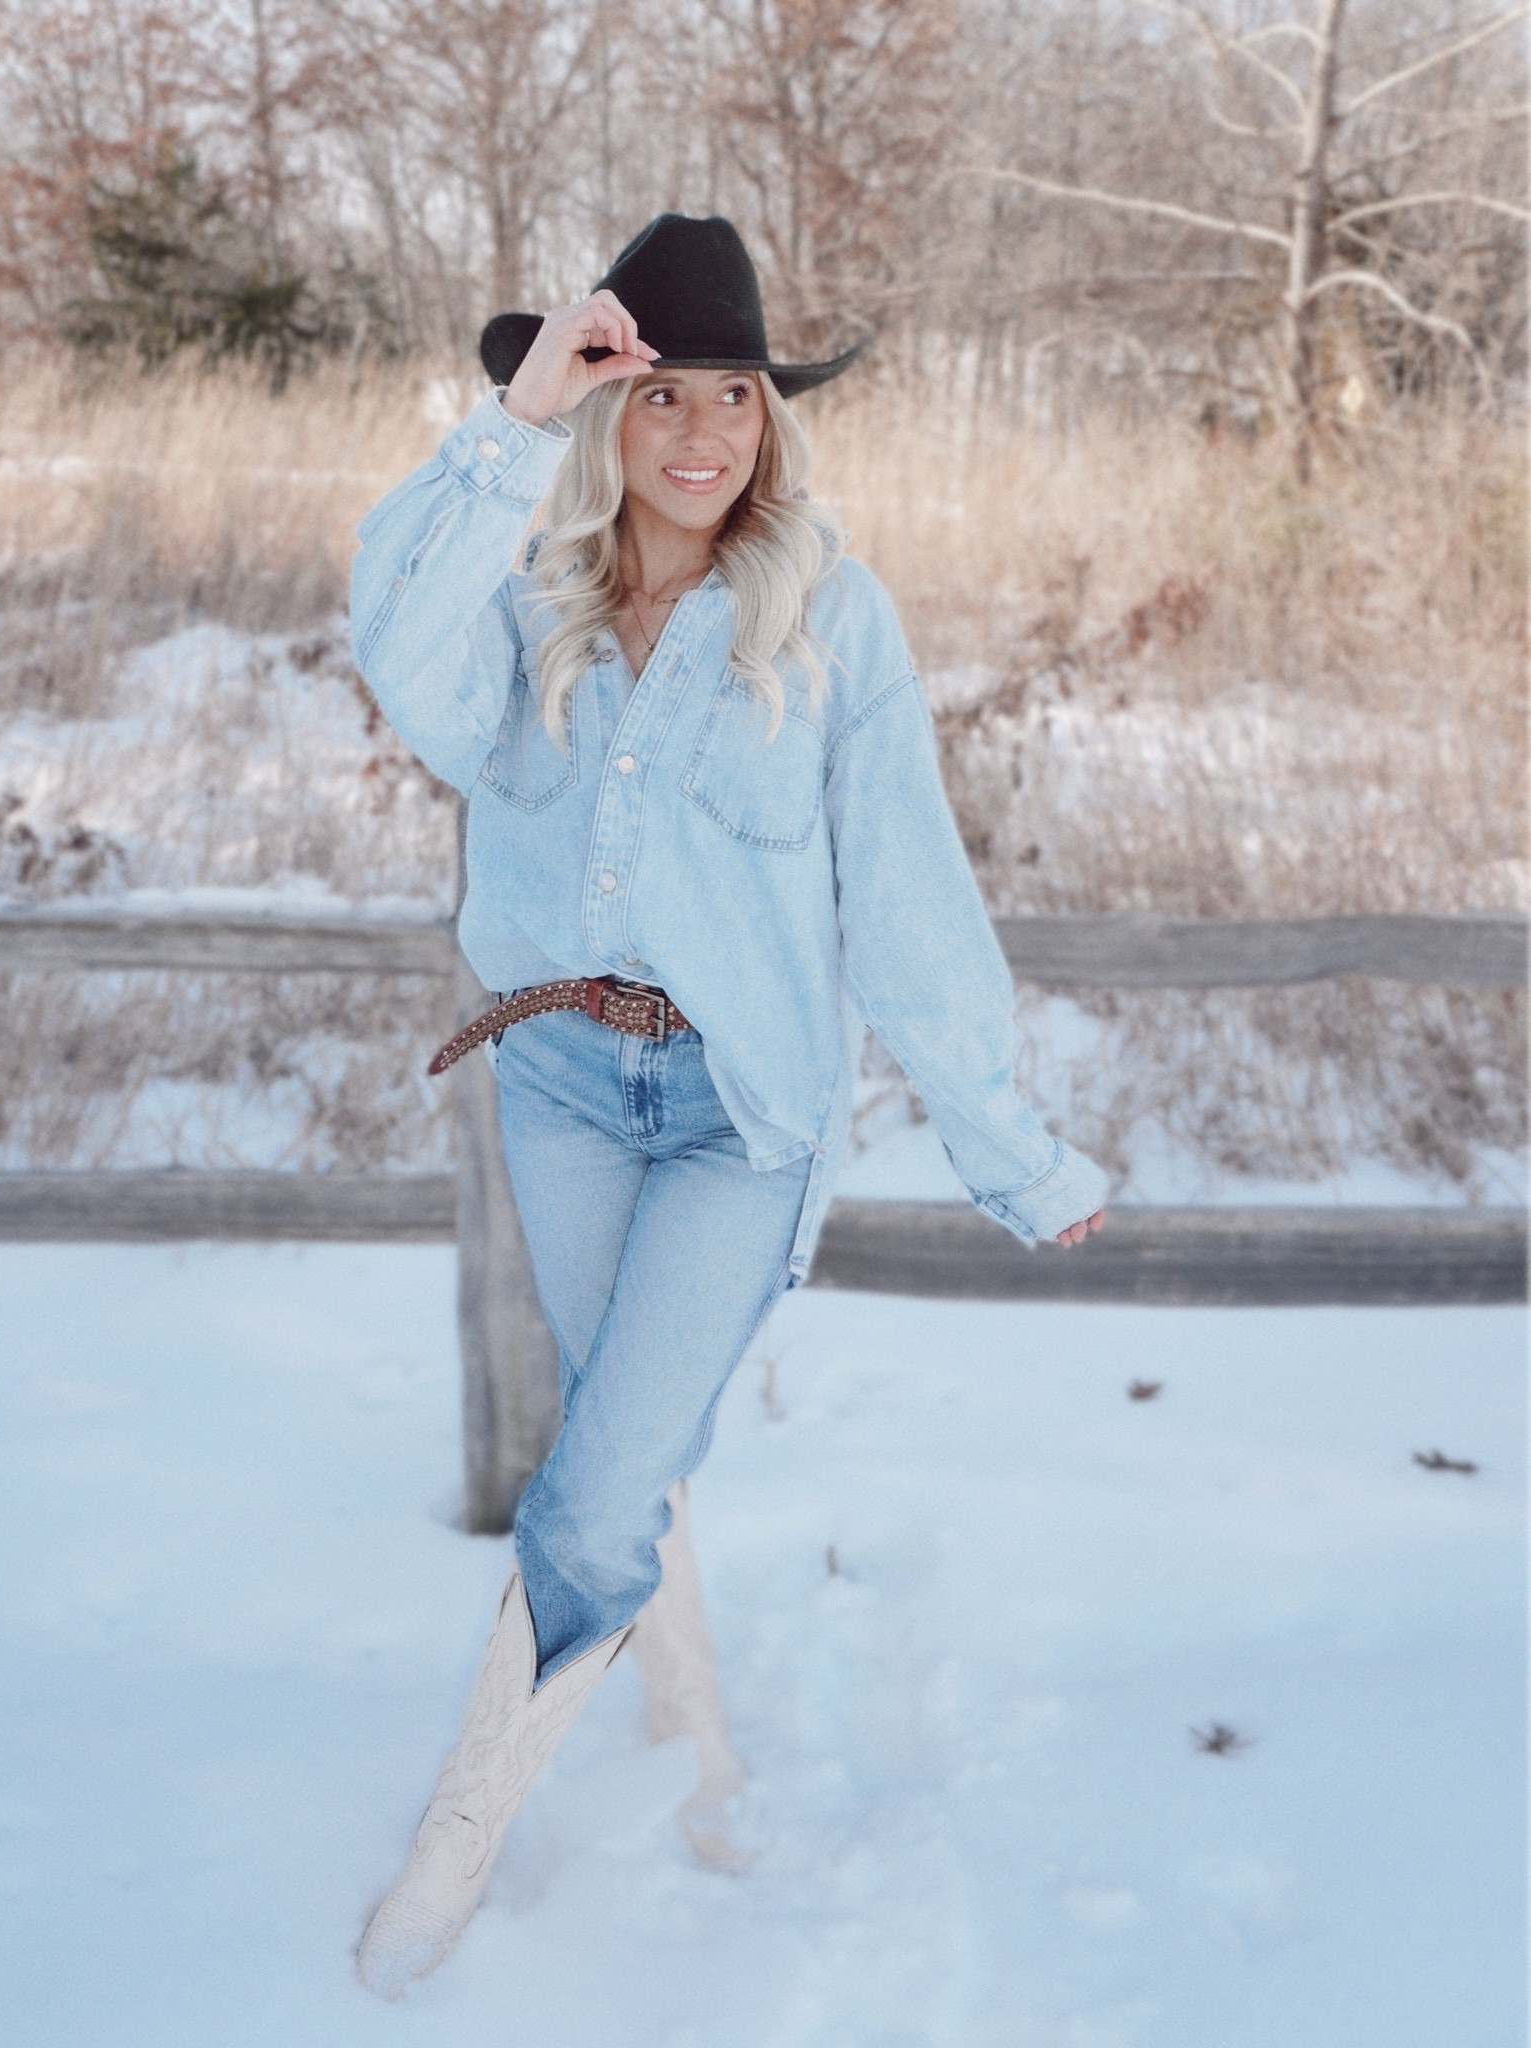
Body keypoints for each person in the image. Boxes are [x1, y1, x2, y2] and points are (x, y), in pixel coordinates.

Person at [347, 213, 1108, 1999]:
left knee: (603, 1482)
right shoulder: (517, 601)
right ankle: (692, 1731)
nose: (700, 431)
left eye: (737, 395)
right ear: (603, 408)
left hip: (733, 1112)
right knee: (635, 1439)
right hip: (555, 1080)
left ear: (774, 418)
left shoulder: (833, 616)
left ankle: (451, 1853)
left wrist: (1011, 1143)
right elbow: (390, 637)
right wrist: (513, 423)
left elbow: (910, 900)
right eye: (657, 389)